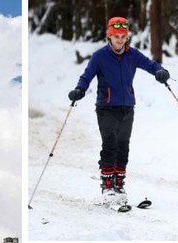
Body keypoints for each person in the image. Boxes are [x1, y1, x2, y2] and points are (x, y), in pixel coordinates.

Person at [68, 16, 170, 206]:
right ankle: (107, 186)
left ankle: (119, 184)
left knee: (123, 145)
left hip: (127, 107)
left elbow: (150, 64)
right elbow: (87, 76)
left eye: (123, 37)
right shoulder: (100, 56)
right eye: (116, 37)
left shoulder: (132, 55)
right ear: (109, 36)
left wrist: (160, 72)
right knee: (110, 144)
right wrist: (80, 89)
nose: (120, 40)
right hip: (106, 107)